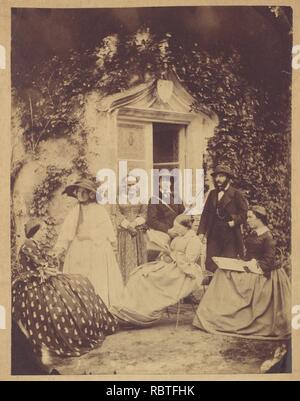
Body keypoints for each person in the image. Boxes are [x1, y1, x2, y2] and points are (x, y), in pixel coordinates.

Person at [12, 219, 118, 359]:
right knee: (71, 290)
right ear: (35, 231)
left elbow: (47, 265)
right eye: (42, 230)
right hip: (34, 284)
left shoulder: (34, 244)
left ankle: (94, 323)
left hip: (43, 278)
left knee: (80, 282)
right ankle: (76, 331)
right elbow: (43, 266)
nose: (44, 233)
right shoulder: (28, 245)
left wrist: (53, 267)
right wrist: (54, 271)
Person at [193, 206, 291, 340]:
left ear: (260, 219)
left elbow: (267, 262)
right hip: (249, 268)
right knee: (222, 272)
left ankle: (222, 317)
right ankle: (216, 314)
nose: (248, 220)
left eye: (251, 217)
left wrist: (251, 265)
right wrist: (239, 262)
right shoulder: (255, 233)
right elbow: (249, 255)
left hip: (261, 274)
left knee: (223, 276)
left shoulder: (268, 236)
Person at [111, 214, 203, 327]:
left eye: (178, 228)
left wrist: (171, 254)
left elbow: (188, 261)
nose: (175, 230)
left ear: (186, 227)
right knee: (139, 273)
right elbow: (170, 257)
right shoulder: (179, 238)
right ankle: (132, 311)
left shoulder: (194, 241)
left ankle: (143, 313)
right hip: (172, 267)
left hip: (185, 274)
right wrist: (165, 254)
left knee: (146, 279)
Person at [55, 179, 124, 307]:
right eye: (78, 192)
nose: (80, 194)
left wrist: (91, 236)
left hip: (96, 248)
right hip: (78, 249)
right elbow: (66, 231)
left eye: (83, 192)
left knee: (97, 278)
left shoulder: (99, 211)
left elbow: (107, 232)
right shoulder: (74, 211)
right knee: (78, 278)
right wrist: (60, 249)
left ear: (91, 194)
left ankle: (99, 307)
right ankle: (80, 307)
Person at [197, 164, 248, 273]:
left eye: (221, 176)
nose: (217, 179)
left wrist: (233, 222)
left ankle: (227, 289)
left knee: (227, 265)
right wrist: (201, 232)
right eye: (216, 176)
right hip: (214, 235)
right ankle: (213, 288)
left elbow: (244, 214)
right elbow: (205, 214)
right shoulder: (212, 194)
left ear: (228, 178)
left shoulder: (236, 194)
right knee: (211, 264)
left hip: (230, 236)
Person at [114, 176, 148, 284]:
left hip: (138, 232)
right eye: (128, 185)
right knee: (125, 258)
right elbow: (117, 214)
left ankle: (139, 285)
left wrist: (135, 223)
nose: (131, 187)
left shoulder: (142, 198)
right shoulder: (118, 198)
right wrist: (128, 225)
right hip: (124, 232)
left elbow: (144, 213)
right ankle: (125, 284)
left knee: (139, 257)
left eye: (133, 184)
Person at [147, 174, 185, 261]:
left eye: (168, 181)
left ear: (171, 183)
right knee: (163, 259)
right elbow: (151, 220)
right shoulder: (154, 199)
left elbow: (183, 215)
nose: (166, 183)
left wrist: (180, 229)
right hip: (162, 235)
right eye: (163, 181)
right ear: (159, 183)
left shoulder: (176, 197)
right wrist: (167, 230)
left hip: (177, 234)